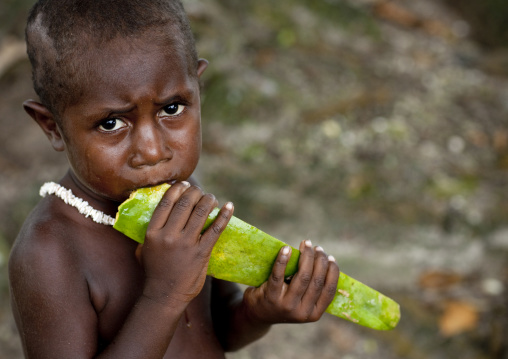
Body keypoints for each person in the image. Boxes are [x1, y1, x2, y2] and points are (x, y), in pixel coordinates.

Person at [8, 0, 340, 357]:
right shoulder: (49, 252)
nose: (153, 151)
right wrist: (164, 294)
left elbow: (216, 333)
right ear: (52, 126)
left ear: (197, 88)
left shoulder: (185, 198)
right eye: (110, 123)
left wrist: (259, 311)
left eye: (172, 108)